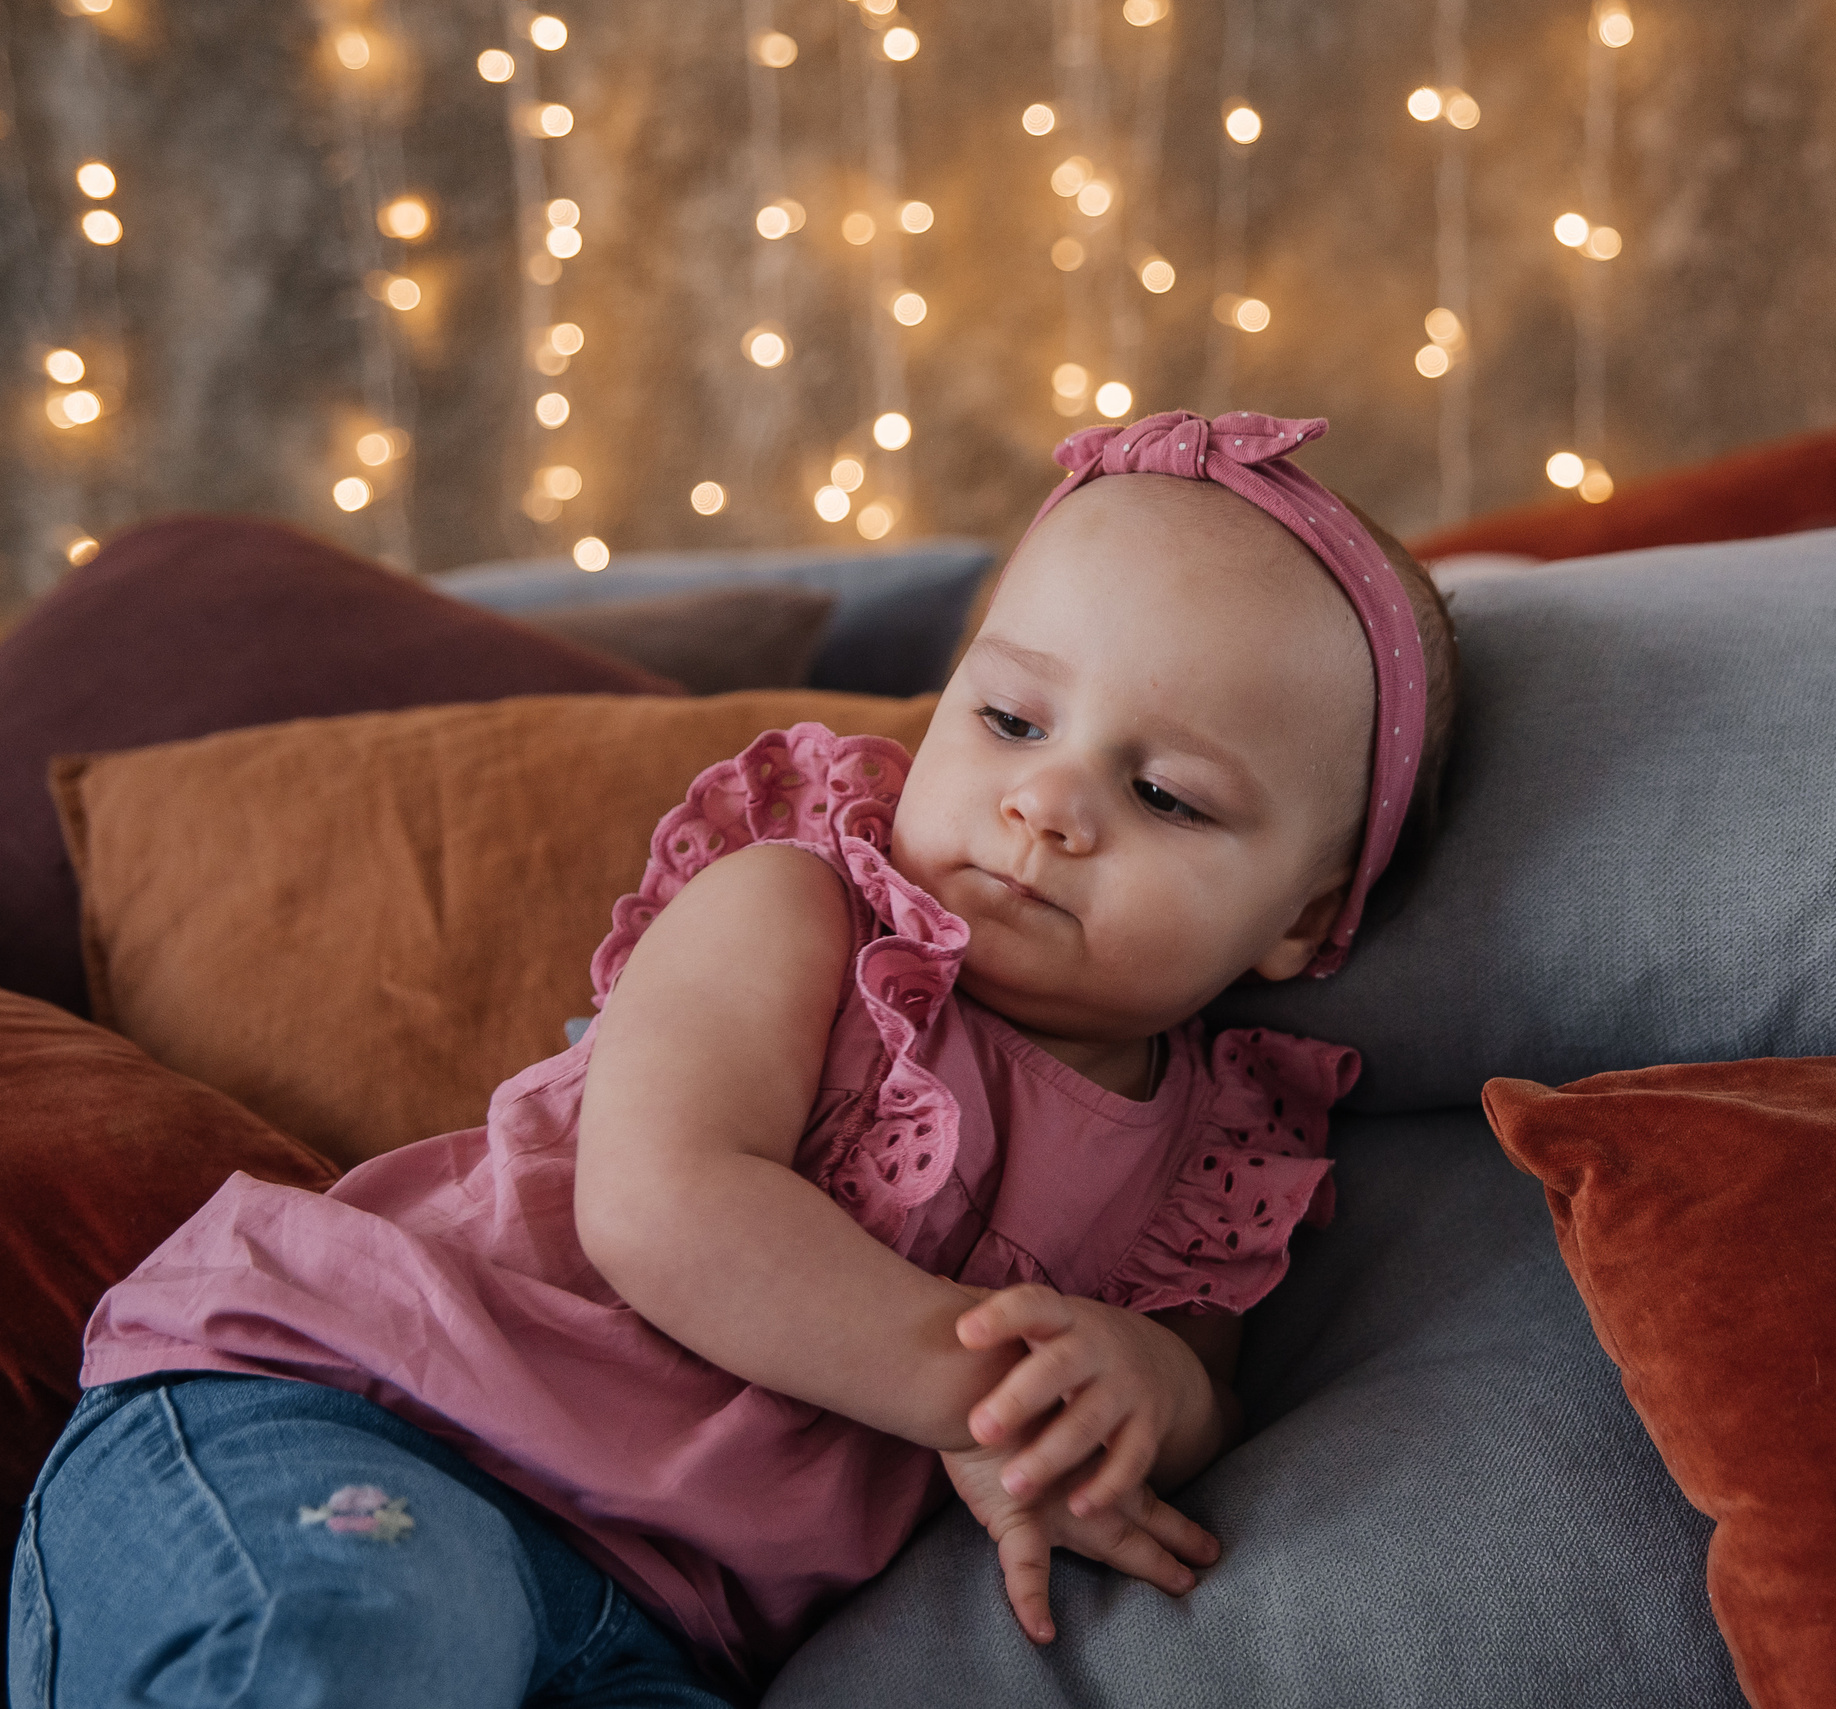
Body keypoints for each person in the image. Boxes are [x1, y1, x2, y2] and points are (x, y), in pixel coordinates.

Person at [7, 411, 1461, 1708]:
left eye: (1164, 794)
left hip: (654, 1617)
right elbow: (661, 1202)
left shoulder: (1215, 1147)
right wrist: (963, 1393)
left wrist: (1139, 1389)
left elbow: (1200, 1385)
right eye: (1011, 717)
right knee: (365, 1646)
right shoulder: (800, 906)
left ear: (1308, 918)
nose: (1046, 803)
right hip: (369, 1414)